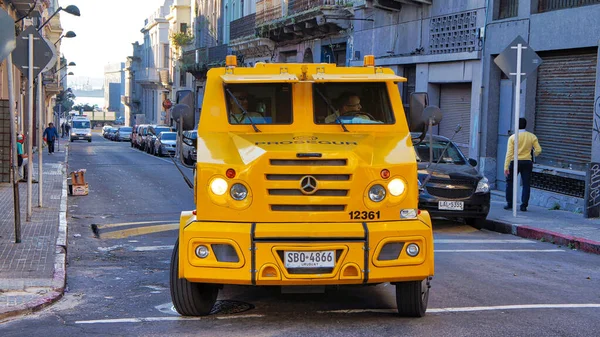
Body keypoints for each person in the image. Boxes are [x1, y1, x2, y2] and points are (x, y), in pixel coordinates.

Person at [503, 118, 542, 211]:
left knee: (510, 182)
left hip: (514, 161)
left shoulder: (512, 137)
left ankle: (509, 203)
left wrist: (506, 166)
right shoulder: (532, 136)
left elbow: (509, 153)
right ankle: (524, 205)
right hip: (527, 162)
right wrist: (534, 154)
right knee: (526, 184)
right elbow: (539, 150)